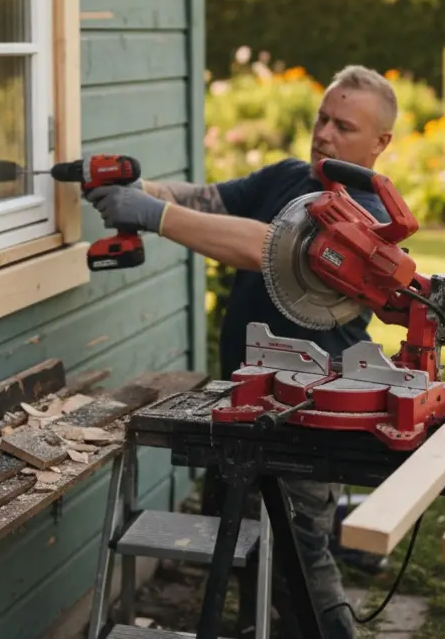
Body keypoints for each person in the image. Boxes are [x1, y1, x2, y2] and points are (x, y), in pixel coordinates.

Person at [83, 65, 399, 638]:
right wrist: (136, 190)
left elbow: (272, 248)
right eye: (321, 118)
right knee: (242, 550)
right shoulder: (288, 177)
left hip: (310, 409)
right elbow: (208, 199)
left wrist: (154, 216)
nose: (323, 134)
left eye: (343, 126)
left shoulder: (369, 220)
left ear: (381, 143)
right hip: (244, 400)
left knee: (300, 567)